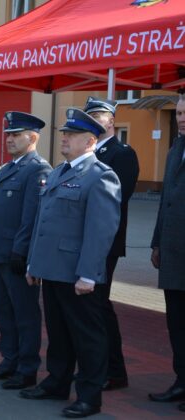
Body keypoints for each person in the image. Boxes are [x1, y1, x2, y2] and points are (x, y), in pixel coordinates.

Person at [21, 108, 121, 419]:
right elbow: (43, 224)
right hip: (51, 269)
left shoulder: (101, 175)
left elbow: (100, 232)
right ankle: (57, 381)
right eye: (64, 133)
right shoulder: (58, 172)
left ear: (90, 140)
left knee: (87, 337)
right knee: (59, 331)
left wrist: (89, 275)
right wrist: (33, 265)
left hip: (78, 273)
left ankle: (89, 397)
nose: (64, 138)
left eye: (71, 134)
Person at [0, 112, 52, 390]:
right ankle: (10, 360)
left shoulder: (38, 170)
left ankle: (27, 367)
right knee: (5, 312)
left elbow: (31, 216)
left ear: (32, 138)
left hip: (15, 256)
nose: (8, 139)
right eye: (8, 134)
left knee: (25, 314)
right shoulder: (9, 168)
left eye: (15, 134)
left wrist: (21, 252)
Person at [84, 96, 139, 391]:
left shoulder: (122, 154)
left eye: (99, 114)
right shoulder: (89, 153)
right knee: (90, 305)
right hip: (84, 239)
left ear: (111, 120)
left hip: (106, 241)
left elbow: (116, 199)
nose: (94, 119)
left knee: (99, 304)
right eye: (90, 114)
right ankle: (96, 364)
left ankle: (114, 370)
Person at [148, 96, 185, 413]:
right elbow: (165, 203)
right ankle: (180, 381)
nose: (182, 118)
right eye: (179, 113)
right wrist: (156, 243)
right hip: (173, 253)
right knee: (176, 322)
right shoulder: (175, 149)